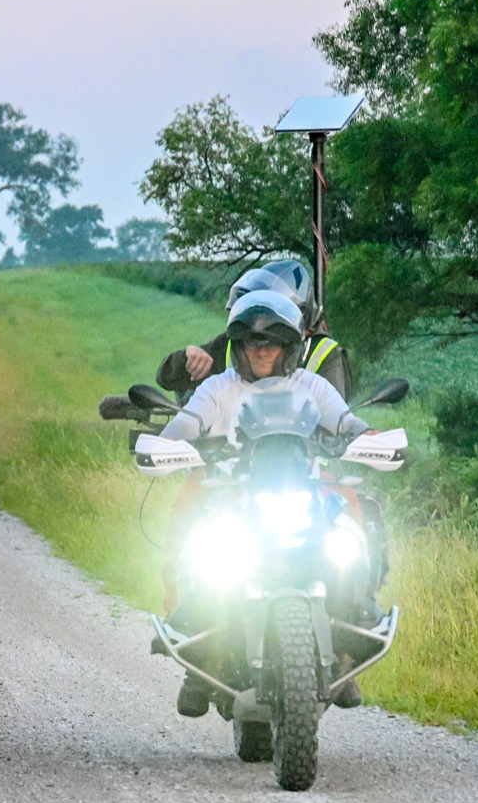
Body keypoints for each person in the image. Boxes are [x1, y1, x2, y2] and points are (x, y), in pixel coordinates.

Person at [157, 290, 371, 716]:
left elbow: (348, 423)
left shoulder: (312, 386)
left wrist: (370, 441)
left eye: (271, 342)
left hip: (301, 484)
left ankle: (351, 631)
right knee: (190, 522)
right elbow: (185, 425)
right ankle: (196, 653)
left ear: (290, 347)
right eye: (252, 342)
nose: (261, 351)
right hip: (230, 488)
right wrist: (164, 446)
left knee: (349, 503)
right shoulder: (218, 387)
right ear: (238, 346)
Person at [154, 262, 352, 403]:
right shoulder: (234, 343)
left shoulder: (325, 353)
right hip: (233, 457)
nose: (261, 347)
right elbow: (165, 378)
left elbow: (336, 418)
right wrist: (186, 358)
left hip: (303, 459)